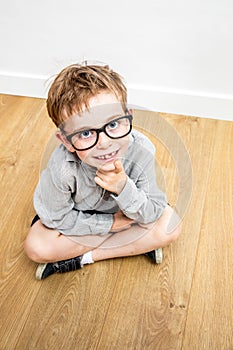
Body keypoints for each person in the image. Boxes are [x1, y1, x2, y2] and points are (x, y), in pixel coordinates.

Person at [24, 63, 182, 280]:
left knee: (170, 226)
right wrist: (112, 225)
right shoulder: (62, 168)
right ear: (66, 141)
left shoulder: (141, 151)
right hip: (83, 220)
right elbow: (56, 218)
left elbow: (152, 211)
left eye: (114, 124)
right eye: (86, 133)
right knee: (36, 246)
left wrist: (123, 187)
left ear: (129, 117)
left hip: (128, 214)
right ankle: (133, 244)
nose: (105, 143)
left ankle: (83, 257)